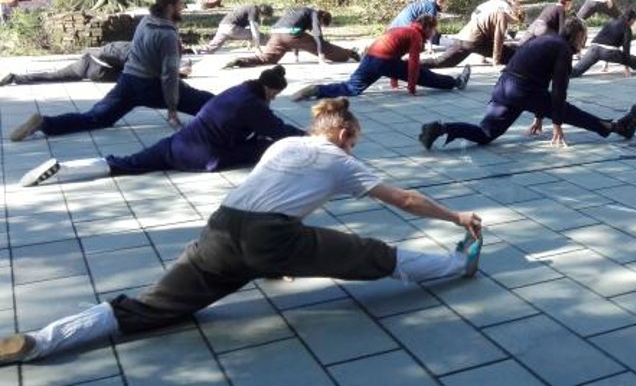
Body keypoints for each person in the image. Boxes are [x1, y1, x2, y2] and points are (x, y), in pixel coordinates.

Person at [0, 98, 483, 366]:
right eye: (353, 143)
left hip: (221, 227)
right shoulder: (338, 159)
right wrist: (457, 216)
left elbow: (274, 197)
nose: (353, 152)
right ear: (342, 135)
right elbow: (405, 200)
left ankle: (42, 340)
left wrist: (275, 264)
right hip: (270, 238)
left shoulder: (285, 145)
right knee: (373, 255)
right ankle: (457, 262)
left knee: (149, 306)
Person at [18, 66, 306, 187]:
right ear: (270, 89)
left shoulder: (236, 91)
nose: (273, 99)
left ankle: (65, 170)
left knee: (126, 163)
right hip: (205, 156)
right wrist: (308, 135)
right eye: (274, 95)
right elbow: (278, 130)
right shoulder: (252, 105)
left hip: (177, 144)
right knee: (265, 146)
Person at [9, 0, 215, 142]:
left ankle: (45, 123)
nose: (183, 8)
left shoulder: (146, 21)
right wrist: (172, 108)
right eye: (181, 5)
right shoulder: (167, 36)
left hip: (128, 81)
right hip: (150, 86)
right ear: (170, 7)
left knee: (96, 117)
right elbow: (169, 76)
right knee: (208, 102)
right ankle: (234, 114)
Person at [419, 19, 636, 149]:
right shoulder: (563, 50)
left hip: (504, 86)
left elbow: (541, 81)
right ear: (577, 36)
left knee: (485, 133)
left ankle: (441, 128)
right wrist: (557, 122)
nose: (584, 42)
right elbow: (558, 91)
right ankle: (616, 127)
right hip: (521, 89)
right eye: (583, 37)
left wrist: (539, 117)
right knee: (567, 110)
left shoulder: (548, 40)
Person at [292, 15, 469, 101]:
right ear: (427, 27)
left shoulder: (403, 29)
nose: (434, 33)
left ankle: (316, 90)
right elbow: (413, 65)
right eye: (434, 29)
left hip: (370, 57)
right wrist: (412, 89)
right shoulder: (415, 35)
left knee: (351, 87)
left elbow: (395, 55)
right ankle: (456, 82)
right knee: (423, 74)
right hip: (383, 60)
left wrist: (394, 82)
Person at [223, 6, 358, 68]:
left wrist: (296, 57)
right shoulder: (314, 14)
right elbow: (318, 36)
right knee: (326, 47)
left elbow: (294, 30)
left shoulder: (298, 11)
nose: (320, 26)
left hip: (276, 33)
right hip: (291, 34)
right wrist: (321, 56)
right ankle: (350, 53)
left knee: (267, 59)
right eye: (322, 24)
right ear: (322, 18)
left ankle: (241, 61)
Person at [424, 0, 522, 69]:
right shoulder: (502, 17)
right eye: (515, 22)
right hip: (474, 42)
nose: (512, 24)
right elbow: (498, 41)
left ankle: (415, 63)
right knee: (509, 54)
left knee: (441, 61)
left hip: (463, 38)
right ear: (514, 15)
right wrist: (496, 62)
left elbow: (490, 37)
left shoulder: (497, 13)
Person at [570, 9, 636, 77]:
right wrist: (627, 67)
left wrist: (605, 65)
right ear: (631, 20)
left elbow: (605, 39)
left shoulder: (611, 22)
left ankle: (563, 74)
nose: (633, 24)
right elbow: (626, 49)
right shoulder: (627, 28)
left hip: (594, 48)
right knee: (635, 60)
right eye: (634, 21)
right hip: (608, 52)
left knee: (577, 70)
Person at [0, 41, 132, 86]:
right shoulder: (132, 50)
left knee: (53, 76)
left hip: (86, 62)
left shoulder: (129, 45)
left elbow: (104, 52)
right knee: (133, 76)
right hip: (98, 69)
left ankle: (15, 78)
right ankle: (15, 78)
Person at [197, 4, 274, 55]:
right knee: (259, 35)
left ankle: (198, 51)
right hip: (231, 28)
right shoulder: (254, 11)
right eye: (265, 17)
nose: (263, 19)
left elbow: (247, 28)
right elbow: (254, 31)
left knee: (212, 48)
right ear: (263, 13)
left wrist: (249, 41)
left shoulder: (250, 8)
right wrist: (257, 48)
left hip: (223, 26)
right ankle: (274, 44)